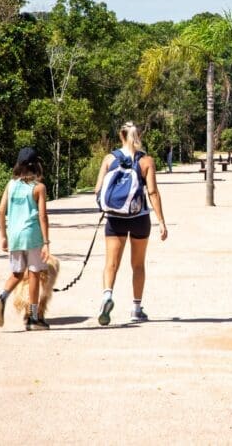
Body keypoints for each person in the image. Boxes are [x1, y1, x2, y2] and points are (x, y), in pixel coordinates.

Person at [93, 122, 168, 325]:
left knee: (111, 263)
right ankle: (136, 308)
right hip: (139, 218)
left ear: (121, 135)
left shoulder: (110, 159)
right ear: (139, 135)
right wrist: (161, 221)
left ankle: (107, 296)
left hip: (115, 219)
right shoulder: (146, 161)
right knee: (138, 265)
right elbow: (152, 192)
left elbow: (97, 189)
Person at [0, 147, 52, 331]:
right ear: (37, 166)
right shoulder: (39, 188)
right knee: (34, 273)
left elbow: (1, 211)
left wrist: (3, 236)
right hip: (32, 236)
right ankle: (34, 318)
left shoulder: (11, 185)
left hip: (15, 236)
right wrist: (46, 242)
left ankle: (1, 297)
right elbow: (42, 217)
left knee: (17, 273)